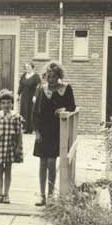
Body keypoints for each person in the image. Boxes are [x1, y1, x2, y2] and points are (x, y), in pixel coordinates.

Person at [32, 61, 76, 206]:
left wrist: (63, 109)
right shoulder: (41, 89)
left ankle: (51, 196)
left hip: (58, 129)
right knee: (42, 163)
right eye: (48, 76)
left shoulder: (66, 88)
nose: (51, 79)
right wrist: (37, 132)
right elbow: (36, 113)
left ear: (59, 76)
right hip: (43, 130)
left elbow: (72, 106)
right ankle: (42, 196)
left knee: (51, 162)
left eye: (54, 76)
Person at [0, 89, 24, 204]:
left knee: (8, 170)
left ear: (12, 103)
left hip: (10, 146)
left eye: (8, 102)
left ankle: (6, 194)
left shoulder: (16, 116)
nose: (6, 105)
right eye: (3, 103)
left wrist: (18, 147)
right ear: (0, 104)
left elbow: (19, 133)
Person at [17, 62, 41, 134]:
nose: (27, 68)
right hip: (24, 96)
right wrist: (18, 94)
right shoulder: (24, 75)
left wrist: (35, 96)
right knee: (24, 111)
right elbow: (21, 86)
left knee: (31, 111)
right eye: (26, 67)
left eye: (29, 67)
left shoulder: (36, 76)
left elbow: (38, 87)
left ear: (32, 67)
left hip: (32, 97)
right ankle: (25, 128)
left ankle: (32, 129)